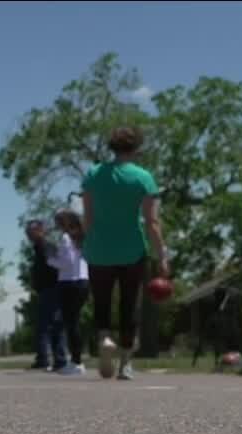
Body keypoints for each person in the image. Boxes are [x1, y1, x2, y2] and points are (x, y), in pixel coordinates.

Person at [81, 126, 170, 380]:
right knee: (130, 305)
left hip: (99, 248)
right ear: (136, 148)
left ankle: (105, 338)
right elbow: (152, 222)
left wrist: (89, 243)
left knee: (101, 301)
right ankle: (125, 364)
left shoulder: (93, 174)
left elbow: (87, 217)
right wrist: (162, 254)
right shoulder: (143, 177)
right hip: (132, 249)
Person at [50, 209, 89, 375]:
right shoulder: (82, 236)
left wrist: (50, 259)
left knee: (71, 323)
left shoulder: (66, 237)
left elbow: (66, 263)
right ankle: (76, 360)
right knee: (74, 322)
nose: (56, 224)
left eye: (58, 221)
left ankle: (76, 362)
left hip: (69, 282)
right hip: (84, 280)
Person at [27, 219, 67, 371]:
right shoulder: (39, 248)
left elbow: (54, 266)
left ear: (42, 230)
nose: (30, 233)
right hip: (46, 290)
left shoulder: (46, 246)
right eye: (29, 231)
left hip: (53, 289)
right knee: (49, 325)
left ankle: (49, 359)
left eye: (34, 230)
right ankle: (53, 359)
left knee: (49, 325)